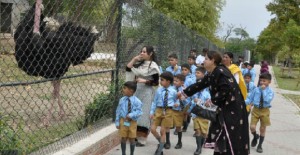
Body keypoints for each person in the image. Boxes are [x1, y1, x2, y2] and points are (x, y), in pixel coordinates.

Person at [181, 50, 250, 155]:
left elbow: (226, 88)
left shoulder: (220, 71)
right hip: (224, 110)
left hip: (232, 112)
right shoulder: (213, 73)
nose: (204, 61)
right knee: (221, 137)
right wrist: (184, 93)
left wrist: (213, 100)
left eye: (206, 59)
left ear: (213, 60)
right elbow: (200, 84)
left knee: (229, 137)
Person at [126, 46, 160, 146]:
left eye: (144, 52)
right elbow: (128, 68)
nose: (141, 53)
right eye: (141, 51)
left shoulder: (153, 66)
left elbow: (156, 82)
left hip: (147, 93)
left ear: (150, 54)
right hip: (137, 91)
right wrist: (134, 59)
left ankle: (142, 139)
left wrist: (144, 80)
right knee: (135, 113)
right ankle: (135, 136)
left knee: (144, 115)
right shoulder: (139, 65)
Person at [245, 73, 274, 153]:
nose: (262, 82)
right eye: (261, 80)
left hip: (265, 111)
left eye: (264, 81)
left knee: (262, 128)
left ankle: (260, 145)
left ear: (269, 82)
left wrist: (263, 91)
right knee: (252, 127)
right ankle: (255, 136)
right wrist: (242, 102)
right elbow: (250, 99)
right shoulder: (256, 89)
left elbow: (267, 100)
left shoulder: (270, 91)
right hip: (256, 110)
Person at [150, 72, 177, 155]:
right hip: (158, 110)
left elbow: (177, 100)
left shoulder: (173, 91)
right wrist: (151, 112)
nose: (160, 82)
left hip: (168, 111)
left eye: (162, 80)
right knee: (153, 129)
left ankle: (160, 151)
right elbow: (154, 102)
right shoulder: (158, 90)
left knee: (162, 131)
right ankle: (162, 143)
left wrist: (177, 104)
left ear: (168, 81)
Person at [187, 66, 211, 155]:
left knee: (204, 133)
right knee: (197, 131)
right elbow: (191, 102)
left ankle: (202, 144)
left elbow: (209, 105)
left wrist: (200, 101)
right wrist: (189, 111)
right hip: (195, 114)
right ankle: (198, 148)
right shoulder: (194, 93)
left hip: (204, 115)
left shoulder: (207, 94)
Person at [115, 81, 143, 155]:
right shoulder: (122, 100)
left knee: (132, 138)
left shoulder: (137, 101)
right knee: (123, 137)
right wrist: (117, 122)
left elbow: (139, 112)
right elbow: (118, 111)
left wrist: (131, 115)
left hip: (132, 122)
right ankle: (123, 153)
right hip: (123, 121)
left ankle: (131, 153)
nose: (123, 89)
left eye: (125, 88)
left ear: (131, 91)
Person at [171, 74, 190, 149]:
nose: (175, 82)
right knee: (166, 126)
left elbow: (185, 101)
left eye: (176, 81)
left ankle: (179, 142)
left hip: (179, 110)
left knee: (178, 126)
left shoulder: (184, 90)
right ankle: (167, 141)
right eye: (174, 80)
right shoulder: (172, 88)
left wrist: (178, 102)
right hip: (171, 109)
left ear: (182, 82)